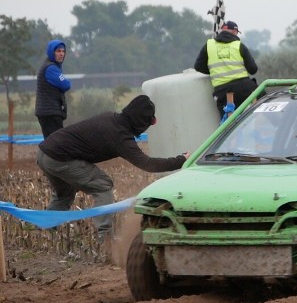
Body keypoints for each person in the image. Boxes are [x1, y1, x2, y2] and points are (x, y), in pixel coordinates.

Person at [37, 94, 188, 240]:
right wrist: (181, 160)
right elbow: (147, 164)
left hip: (44, 153)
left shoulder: (111, 118)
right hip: (59, 159)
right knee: (103, 186)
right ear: (141, 122)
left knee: (65, 194)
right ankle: (105, 236)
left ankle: (46, 229)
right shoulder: (120, 137)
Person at [194, 20, 259, 118]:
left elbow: (198, 66)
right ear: (234, 31)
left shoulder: (209, 45)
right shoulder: (238, 45)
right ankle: (280, 126)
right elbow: (253, 69)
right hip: (244, 88)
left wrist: (214, 71)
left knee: (227, 124)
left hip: (222, 91)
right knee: (265, 99)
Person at [35, 39, 72, 138]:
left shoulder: (52, 67)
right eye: (58, 51)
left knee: (51, 145)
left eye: (63, 51)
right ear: (52, 52)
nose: (61, 54)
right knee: (57, 144)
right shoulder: (51, 69)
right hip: (50, 113)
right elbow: (66, 84)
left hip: (48, 112)